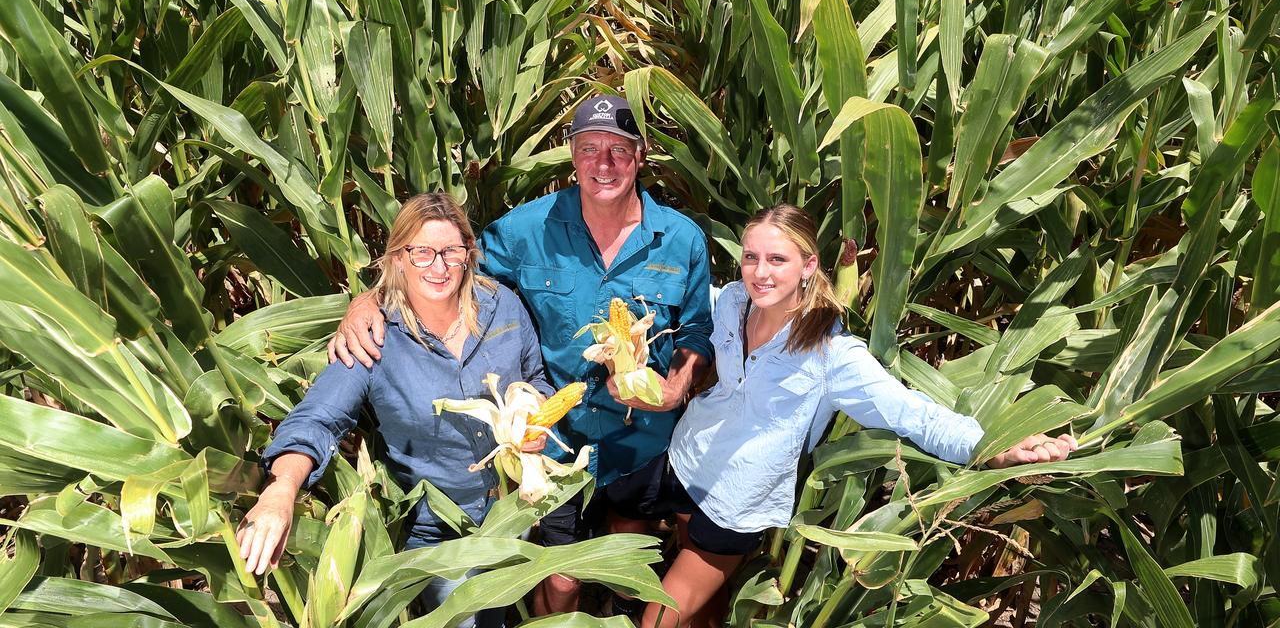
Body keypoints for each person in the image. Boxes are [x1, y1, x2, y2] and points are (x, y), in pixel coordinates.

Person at [327, 95, 714, 618]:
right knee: (560, 579)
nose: (604, 165)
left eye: (619, 150)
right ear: (572, 156)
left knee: (629, 565)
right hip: (552, 444)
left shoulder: (681, 239)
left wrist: (671, 389)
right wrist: (368, 299)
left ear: (640, 156)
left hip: (638, 445)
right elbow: (441, 267)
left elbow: (696, 330)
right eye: (590, 149)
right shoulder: (525, 230)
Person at [640, 204, 1079, 628]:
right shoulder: (732, 302)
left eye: (778, 259)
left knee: (657, 617)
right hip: (689, 458)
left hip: (737, 501)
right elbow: (677, 300)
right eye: (751, 257)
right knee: (703, 604)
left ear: (809, 265)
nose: (760, 272)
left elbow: (910, 412)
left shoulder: (832, 354)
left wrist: (991, 447)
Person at [238, 193, 552, 628]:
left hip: (516, 515)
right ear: (398, 259)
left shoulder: (504, 307)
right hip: (444, 537)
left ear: (468, 254)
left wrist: (531, 414)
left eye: (450, 252)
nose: (438, 267)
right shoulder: (374, 336)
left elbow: (535, 377)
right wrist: (281, 490)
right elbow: (318, 418)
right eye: (421, 252)